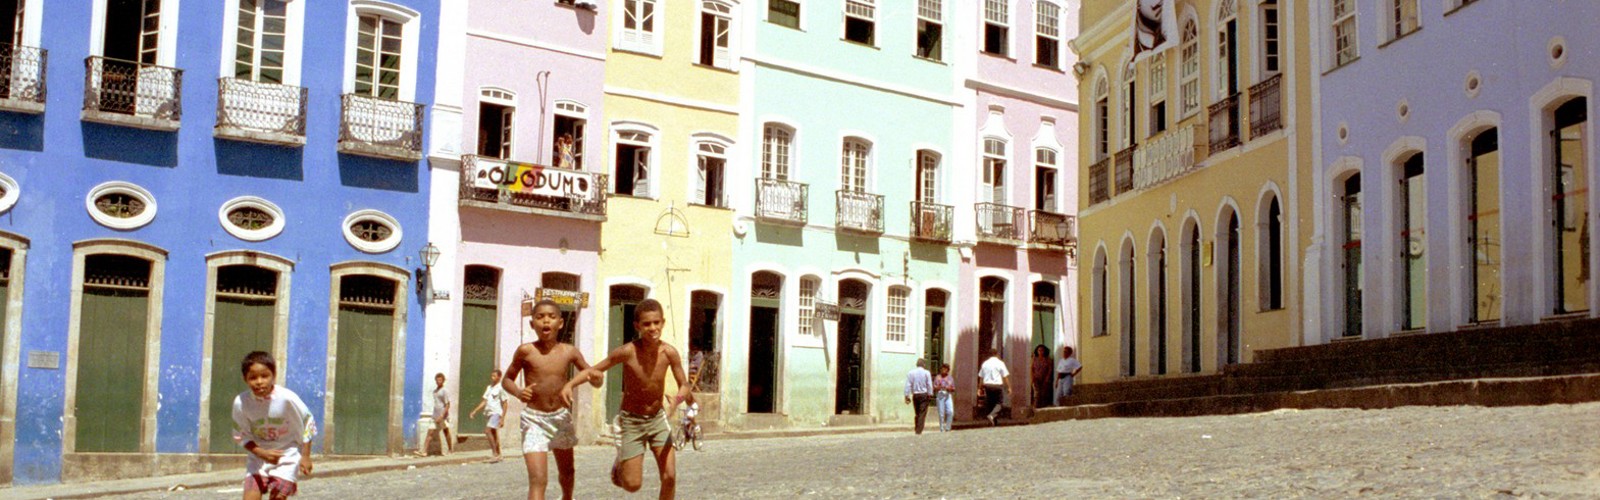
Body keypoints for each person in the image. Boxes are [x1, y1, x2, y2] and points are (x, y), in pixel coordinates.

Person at [563, 298, 691, 500]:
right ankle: (619, 465)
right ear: (637, 326)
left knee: (670, 476)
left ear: (663, 323)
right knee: (632, 485)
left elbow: (684, 384)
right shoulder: (627, 351)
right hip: (632, 422)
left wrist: (677, 401)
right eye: (646, 324)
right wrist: (570, 385)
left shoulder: (669, 353)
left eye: (656, 322)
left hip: (658, 419)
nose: (652, 328)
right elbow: (594, 369)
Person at [503, 299, 601, 500]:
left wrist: (592, 380)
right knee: (538, 480)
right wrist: (519, 392)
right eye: (539, 317)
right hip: (534, 420)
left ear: (561, 323)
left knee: (567, 472)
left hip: (560, 419)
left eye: (551, 317)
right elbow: (506, 380)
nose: (545, 321)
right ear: (532, 324)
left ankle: (567, 497)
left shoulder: (569, 351)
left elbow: (592, 375)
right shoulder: (526, 351)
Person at [231, 351, 315, 500]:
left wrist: (306, 456)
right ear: (245, 379)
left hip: (286, 457)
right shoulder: (241, 402)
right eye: (253, 377)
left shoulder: (287, 399)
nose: (259, 382)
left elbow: (308, 420)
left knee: (278, 497)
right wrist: (261, 452)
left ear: (273, 376)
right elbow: (240, 434)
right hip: (258, 458)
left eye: (264, 376)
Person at [468, 369, 510, 463]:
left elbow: (505, 403)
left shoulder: (501, 388)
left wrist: (502, 418)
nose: (492, 378)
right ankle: (499, 455)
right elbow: (484, 401)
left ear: (499, 377)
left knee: (487, 431)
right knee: (494, 434)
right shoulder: (489, 388)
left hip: (496, 413)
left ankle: (494, 454)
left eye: (494, 376)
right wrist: (475, 411)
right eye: (492, 376)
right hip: (489, 413)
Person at [417, 373, 454, 457]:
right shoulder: (435, 391)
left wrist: (442, 416)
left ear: (443, 381)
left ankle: (450, 449)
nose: (438, 381)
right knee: (430, 432)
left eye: (440, 380)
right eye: (437, 380)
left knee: (446, 431)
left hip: (442, 416)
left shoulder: (444, 391)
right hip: (435, 415)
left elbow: (447, 404)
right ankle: (424, 451)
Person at [977, 349, 1010, 426]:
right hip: (997, 385)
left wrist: (979, 388)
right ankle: (992, 415)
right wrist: (1008, 387)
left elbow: (981, 377)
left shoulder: (985, 364)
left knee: (991, 404)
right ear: (996, 354)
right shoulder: (1000, 363)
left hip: (987, 386)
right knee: (999, 403)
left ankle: (993, 422)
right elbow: (1005, 376)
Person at [903, 359, 933, 435]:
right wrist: (930, 394)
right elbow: (929, 384)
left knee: (917, 413)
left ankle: (917, 427)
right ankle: (919, 430)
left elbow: (908, 385)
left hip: (915, 395)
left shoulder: (911, 373)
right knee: (922, 413)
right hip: (924, 394)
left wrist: (907, 395)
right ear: (924, 365)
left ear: (916, 364)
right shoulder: (927, 373)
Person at [933, 364, 956, 432]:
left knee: (950, 411)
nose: (943, 371)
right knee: (941, 413)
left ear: (947, 370)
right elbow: (934, 388)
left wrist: (949, 388)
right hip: (940, 395)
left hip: (948, 395)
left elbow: (953, 388)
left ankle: (948, 427)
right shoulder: (937, 377)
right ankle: (942, 428)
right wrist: (939, 387)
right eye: (942, 369)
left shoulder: (950, 378)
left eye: (945, 369)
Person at [1031, 345, 1054, 411]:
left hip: (1044, 378)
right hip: (1036, 378)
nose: (1040, 352)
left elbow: (1050, 369)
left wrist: (1047, 377)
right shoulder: (1034, 359)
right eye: (1039, 350)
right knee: (1036, 393)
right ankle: (1035, 407)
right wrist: (1032, 377)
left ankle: (1042, 407)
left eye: (1042, 350)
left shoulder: (1047, 359)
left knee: (1044, 393)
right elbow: (1031, 368)